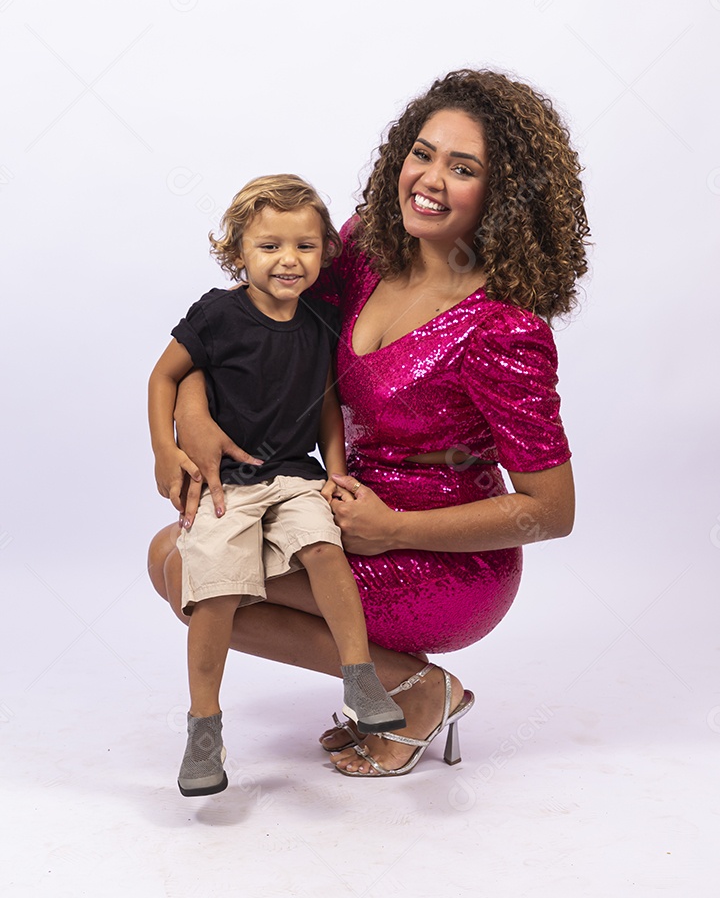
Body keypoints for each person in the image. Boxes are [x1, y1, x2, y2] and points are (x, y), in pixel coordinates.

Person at [147, 68, 589, 778]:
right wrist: (191, 416)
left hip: (444, 560)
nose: (431, 179)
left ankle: (415, 691)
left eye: (463, 167)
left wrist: (396, 530)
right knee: (176, 561)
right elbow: (238, 324)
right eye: (423, 152)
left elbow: (551, 511)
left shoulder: (504, 329)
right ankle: (406, 687)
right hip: (335, 511)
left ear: (501, 196)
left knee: (185, 564)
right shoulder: (364, 247)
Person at [148, 175, 406, 796]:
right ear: (238, 251)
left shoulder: (323, 320)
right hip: (226, 485)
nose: (289, 260)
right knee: (212, 591)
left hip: (295, 475)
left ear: (323, 252)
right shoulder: (218, 313)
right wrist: (165, 450)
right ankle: (204, 727)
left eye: (305, 247)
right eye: (269, 246)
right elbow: (163, 377)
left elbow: (326, 408)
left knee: (323, 550)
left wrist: (336, 471)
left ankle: (360, 677)